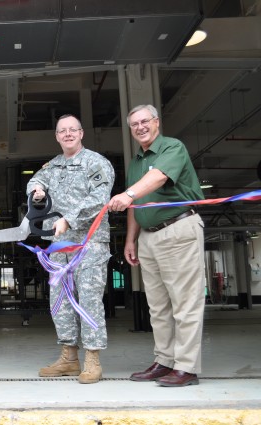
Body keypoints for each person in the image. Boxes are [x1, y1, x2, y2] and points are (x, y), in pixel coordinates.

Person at [108, 104, 205, 387]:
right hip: (149, 236)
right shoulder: (137, 160)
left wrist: (127, 193)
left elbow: (158, 177)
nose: (140, 127)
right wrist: (130, 239)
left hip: (178, 229)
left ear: (157, 122)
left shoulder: (172, 148)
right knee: (158, 306)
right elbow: (135, 203)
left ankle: (186, 367)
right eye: (134, 124)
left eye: (144, 121)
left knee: (185, 304)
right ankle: (164, 360)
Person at [27, 114, 114, 384]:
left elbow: (100, 198)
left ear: (81, 133)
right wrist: (37, 189)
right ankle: (68, 358)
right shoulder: (51, 166)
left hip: (89, 244)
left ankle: (92, 360)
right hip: (59, 246)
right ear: (57, 136)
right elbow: (33, 182)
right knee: (59, 302)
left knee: (89, 301)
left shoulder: (96, 163)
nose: (67, 134)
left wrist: (69, 219)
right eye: (62, 131)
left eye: (72, 130)